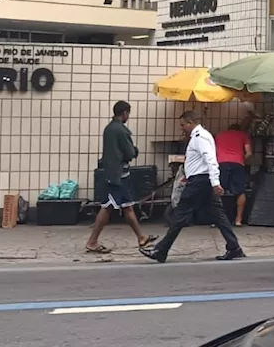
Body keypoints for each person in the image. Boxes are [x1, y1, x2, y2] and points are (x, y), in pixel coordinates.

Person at [141, 110, 244, 263]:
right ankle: (234, 247)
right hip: (201, 180)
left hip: (199, 182)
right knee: (218, 215)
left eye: (183, 125)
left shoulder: (200, 137)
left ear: (190, 123)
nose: (181, 128)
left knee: (180, 215)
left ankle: (161, 250)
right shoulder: (200, 136)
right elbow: (200, 161)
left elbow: (211, 160)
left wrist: (215, 183)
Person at [85, 101, 156, 253]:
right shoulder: (121, 130)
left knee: (127, 207)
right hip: (118, 176)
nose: (128, 117)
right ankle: (92, 241)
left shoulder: (109, 128)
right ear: (125, 113)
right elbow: (130, 153)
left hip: (113, 173)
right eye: (128, 114)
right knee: (108, 207)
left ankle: (141, 238)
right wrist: (135, 150)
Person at [214, 123, 252, 226]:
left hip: (221, 163)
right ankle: (238, 220)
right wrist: (240, 159)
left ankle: (218, 220)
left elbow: (214, 151)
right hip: (237, 164)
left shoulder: (220, 135)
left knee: (218, 190)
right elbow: (249, 153)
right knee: (240, 191)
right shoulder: (243, 135)